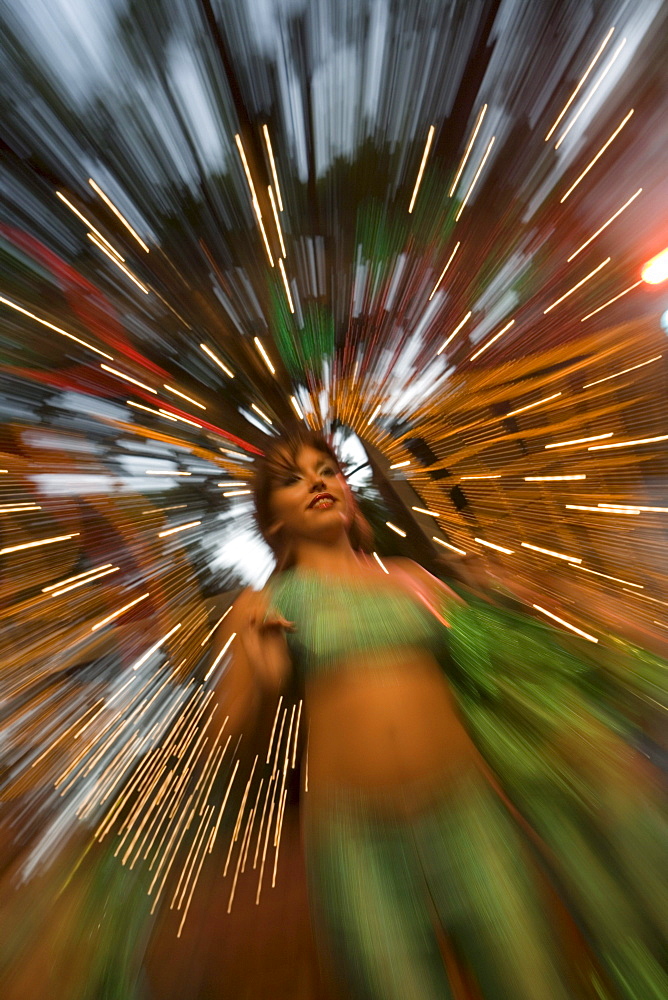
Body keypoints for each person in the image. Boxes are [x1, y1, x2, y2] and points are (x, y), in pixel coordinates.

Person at [211, 429, 667, 1000]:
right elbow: (233, 744)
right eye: (290, 478)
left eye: (326, 468)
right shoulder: (266, 606)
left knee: (532, 981)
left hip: (469, 814)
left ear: (348, 495)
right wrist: (260, 670)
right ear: (271, 522)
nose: (316, 480)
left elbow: (509, 668)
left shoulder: (410, 579)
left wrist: (528, 602)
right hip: (354, 845)